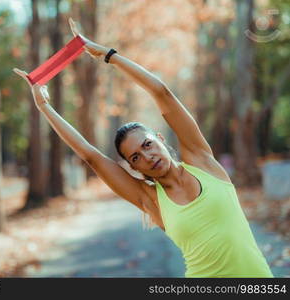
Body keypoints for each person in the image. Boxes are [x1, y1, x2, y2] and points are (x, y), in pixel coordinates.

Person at [14, 18, 273, 278]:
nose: (148, 156)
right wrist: (44, 107)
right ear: (133, 167)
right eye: (136, 157)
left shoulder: (202, 161)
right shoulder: (150, 199)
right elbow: (91, 155)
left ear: (160, 138)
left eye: (148, 144)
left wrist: (108, 55)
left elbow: (162, 93)